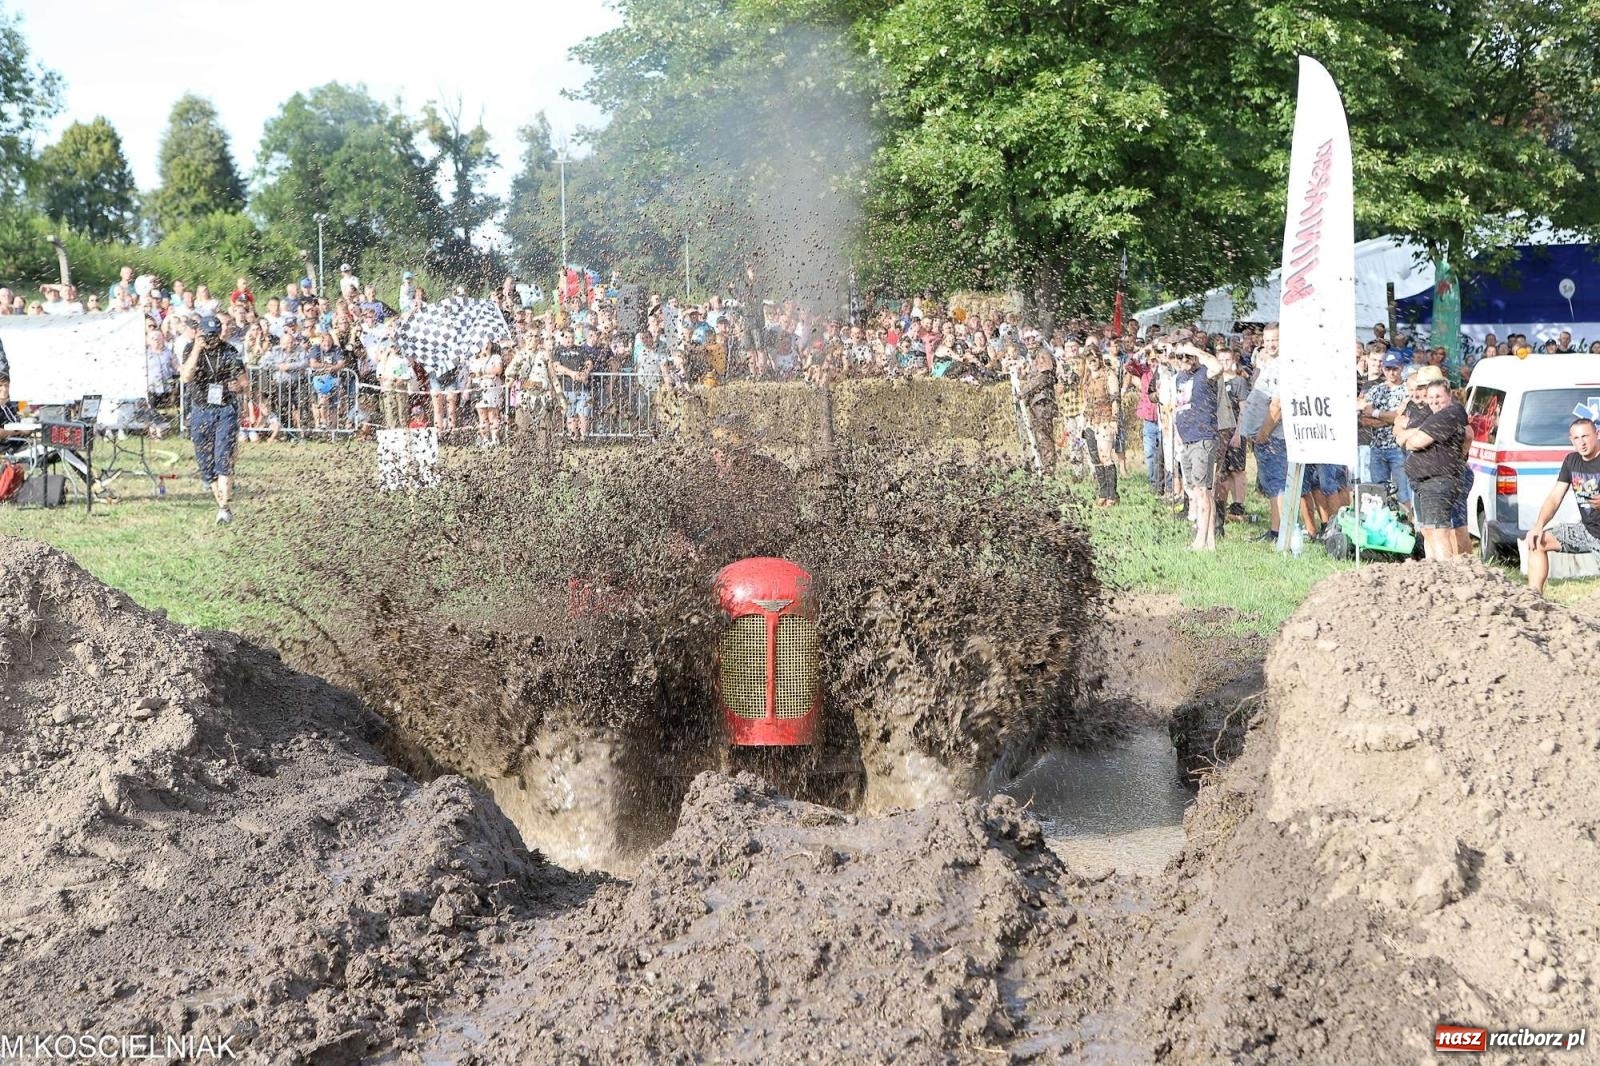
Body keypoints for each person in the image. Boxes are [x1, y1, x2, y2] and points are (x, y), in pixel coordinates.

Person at [179, 315, 247, 524]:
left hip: (225, 409)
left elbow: (244, 381)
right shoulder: (190, 349)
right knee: (206, 462)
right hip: (201, 409)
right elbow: (186, 376)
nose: (211, 340)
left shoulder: (229, 351)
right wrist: (197, 349)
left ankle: (224, 508)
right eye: (207, 336)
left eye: (215, 336)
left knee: (223, 457)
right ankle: (221, 504)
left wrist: (239, 386)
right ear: (199, 333)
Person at [1393, 371, 1467, 560]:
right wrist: (1411, 434)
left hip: (1439, 481)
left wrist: (1410, 434)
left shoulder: (1450, 413)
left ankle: (1445, 572)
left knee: (1441, 530)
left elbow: (1414, 442)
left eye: (1438, 396)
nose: (1433, 401)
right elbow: (1398, 434)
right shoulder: (1427, 413)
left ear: (1449, 395)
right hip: (1423, 482)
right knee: (1428, 530)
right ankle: (1432, 570)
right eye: (1430, 396)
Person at [1524, 417, 1600, 595]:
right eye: (1577, 438)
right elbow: (1554, 498)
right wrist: (1538, 526)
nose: (1582, 443)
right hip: (1587, 530)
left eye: (1585, 436)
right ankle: (1533, 598)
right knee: (1537, 541)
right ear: (1571, 440)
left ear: (1597, 434)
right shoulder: (1571, 461)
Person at [1234, 323, 1287, 542]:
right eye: (1266, 341)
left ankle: (1278, 533)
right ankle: (1276, 529)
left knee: (1277, 485)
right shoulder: (1271, 364)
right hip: (1266, 437)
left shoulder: (1283, 366)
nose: (1270, 344)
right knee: (1272, 485)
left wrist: (1263, 434)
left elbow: (1278, 405)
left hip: (1273, 437)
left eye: (1275, 340)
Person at [1173, 342, 1223, 550]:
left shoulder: (1204, 373)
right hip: (1186, 439)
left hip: (1203, 437)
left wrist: (1194, 350)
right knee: (1198, 491)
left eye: (1188, 356)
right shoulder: (1179, 377)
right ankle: (1210, 541)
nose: (1184, 360)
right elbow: (1178, 408)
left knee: (1202, 490)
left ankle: (1199, 540)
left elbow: (1218, 367)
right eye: (1180, 357)